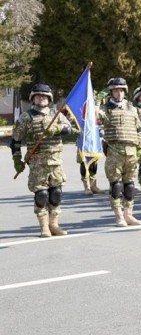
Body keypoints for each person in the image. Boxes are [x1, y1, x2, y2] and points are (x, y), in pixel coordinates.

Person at [10, 83, 78, 238]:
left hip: (55, 162)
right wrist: (17, 160)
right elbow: (15, 141)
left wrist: (57, 129)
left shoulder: (56, 114)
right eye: (38, 96)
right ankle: (44, 227)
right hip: (37, 163)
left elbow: (70, 129)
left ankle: (54, 225)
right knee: (41, 196)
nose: (41, 98)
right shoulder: (26, 117)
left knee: (56, 194)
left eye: (44, 96)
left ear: (49, 99)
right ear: (33, 98)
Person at [99, 77, 141, 227]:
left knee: (129, 185)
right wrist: (97, 99)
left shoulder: (132, 108)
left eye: (121, 90)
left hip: (131, 150)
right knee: (116, 186)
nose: (119, 93)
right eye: (115, 90)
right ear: (111, 92)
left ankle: (128, 214)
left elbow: (139, 129)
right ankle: (119, 215)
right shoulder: (105, 109)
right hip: (114, 150)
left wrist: (140, 147)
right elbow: (92, 115)